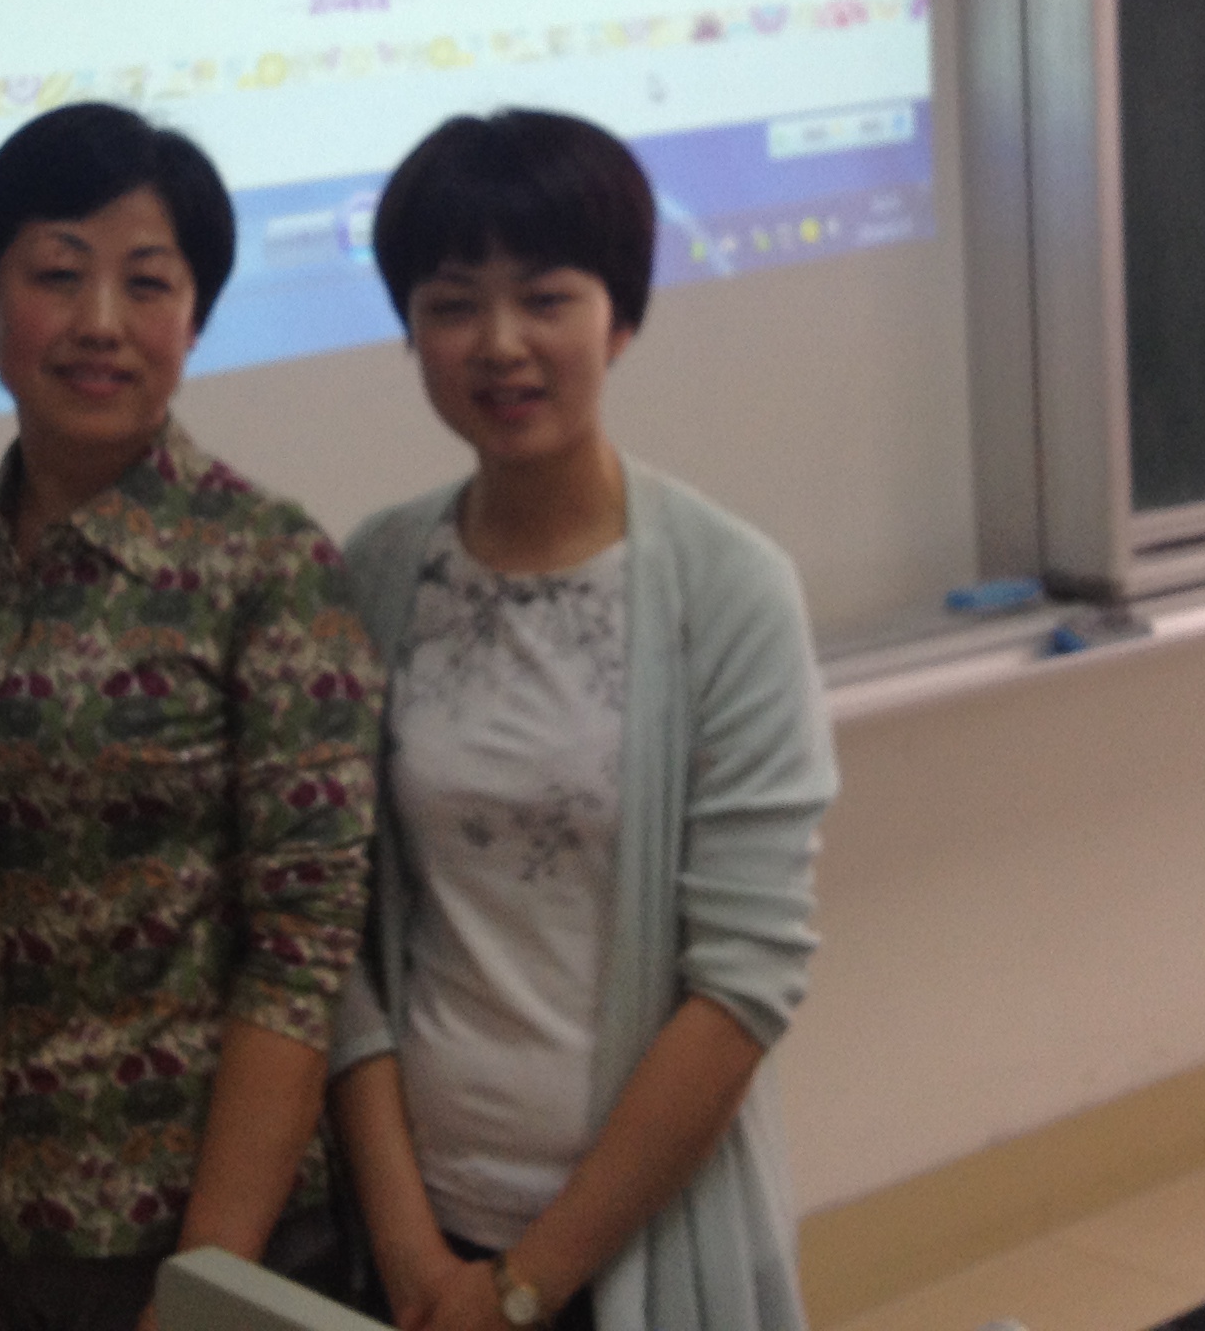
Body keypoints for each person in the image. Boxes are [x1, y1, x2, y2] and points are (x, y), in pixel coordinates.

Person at [0, 103, 384, 1331]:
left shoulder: (270, 566)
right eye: (55, 274)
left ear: (195, 316)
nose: (99, 323)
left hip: (185, 1232)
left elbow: (299, 953)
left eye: (147, 283)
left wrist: (205, 1285)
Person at [329, 109, 838, 1331]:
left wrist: (523, 1286)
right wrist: (413, 1254)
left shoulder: (729, 589)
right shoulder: (379, 572)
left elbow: (744, 981)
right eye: (453, 305)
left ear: (621, 317)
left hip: (635, 1243)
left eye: (546, 297)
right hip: (413, 1229)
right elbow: (335, 938)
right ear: (411, 330)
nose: (500, 344)